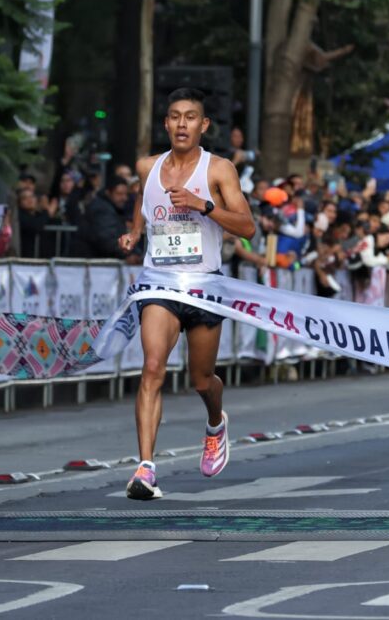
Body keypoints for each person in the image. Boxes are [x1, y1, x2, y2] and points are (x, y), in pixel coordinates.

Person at [118, 87, 255, 500]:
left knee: (200, 380)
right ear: (166, 123)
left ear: (203, 125)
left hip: (204, 286)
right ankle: (145, 468)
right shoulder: (147, 166)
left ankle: (215, 422)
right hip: (159, 282)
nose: (182, 124)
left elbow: (247, 227)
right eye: (175, 116)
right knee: (153, 368)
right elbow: (144, 199)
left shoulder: (220, 170)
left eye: (190, 117)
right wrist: (135, 233)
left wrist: (204, 205)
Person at [69, 175, 129, 259]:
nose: (124, 198)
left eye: (126, 194)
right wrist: (128, 254)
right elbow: (107, 240)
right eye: (119, 194)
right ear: (108, 192)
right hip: (91, 263)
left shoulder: (112, 208)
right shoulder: (101, 209)